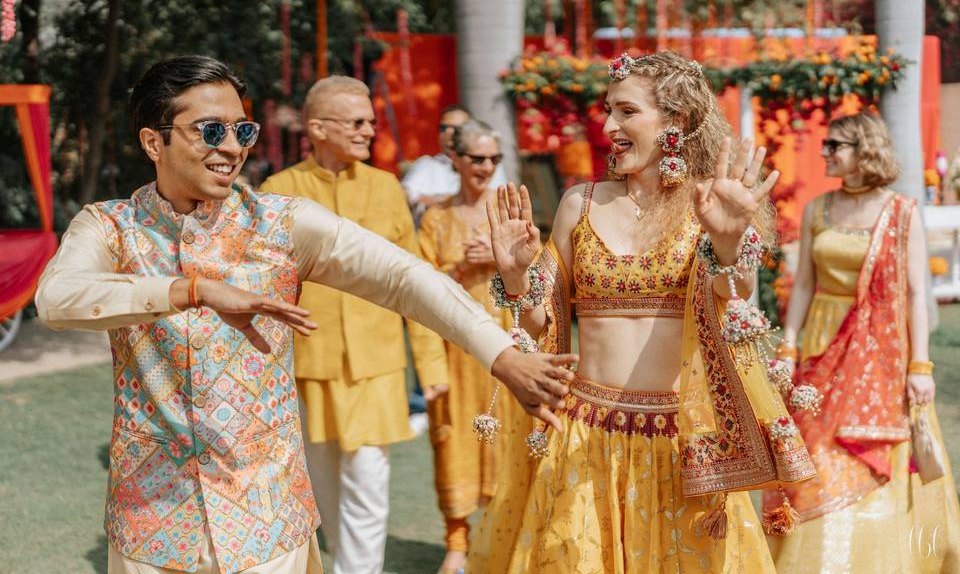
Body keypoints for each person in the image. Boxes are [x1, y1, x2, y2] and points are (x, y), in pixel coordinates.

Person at [33, 55, 576, 574]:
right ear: (154, 141)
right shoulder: (109, 226)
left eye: (241, 132)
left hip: (267, 519)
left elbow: (404, 278)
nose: (231, 148)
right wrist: (188, 291)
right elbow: (57, 299)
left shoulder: (281, 224)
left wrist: (499, 353)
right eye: (210, 131)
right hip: (152, 518)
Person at [467, 50, 817, 573]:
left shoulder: (710, 206)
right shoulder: (578, 204)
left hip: (680, 445)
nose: (609, 126)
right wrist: (517, 278)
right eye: (609, 110)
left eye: (627, 112)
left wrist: (727, 241)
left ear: (675, 119)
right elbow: (542, 322)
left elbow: (737, 293)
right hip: (585, 436)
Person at [256, 77, 469, 574]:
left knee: (369, 484)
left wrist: (430, 362)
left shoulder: (386, 187)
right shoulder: (279, 192)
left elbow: (414, 279)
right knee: (322, 488)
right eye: (357, 122)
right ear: (317, 128)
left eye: (370, 121)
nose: (369, 131)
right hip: (308, 364)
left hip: (376, 363)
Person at [764, 111, 960, 572]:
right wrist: (789, 347)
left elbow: (915, 293)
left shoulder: (901, 210)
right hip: (820, 343)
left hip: (883, 354)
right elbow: (805, 285)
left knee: (870, 455)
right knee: (814, 454)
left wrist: (920, 367)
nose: (825, 153)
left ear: (864, 150)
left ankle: (878, 560)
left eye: (835, 145)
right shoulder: (819, 207)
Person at [417, 120, 525, 574]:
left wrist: (502, 262)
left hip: (509, 347)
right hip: (457, 352)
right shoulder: (437, 218)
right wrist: (463, 264)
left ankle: (507, 539)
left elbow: (536, 276)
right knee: (454, 443)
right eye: (477, 158)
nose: (486, 167)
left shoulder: (510, 211)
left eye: (493, 159)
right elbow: (417, 287)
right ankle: (457, 545)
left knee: (512, 444)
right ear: (455, 160)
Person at [401, 105, 508, 219]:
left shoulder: (490, 163)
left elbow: (498, 200)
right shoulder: (426, 165)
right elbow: (405, 196)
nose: (449, 133)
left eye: (457, 128)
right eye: (443, 128)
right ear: (457, 160)